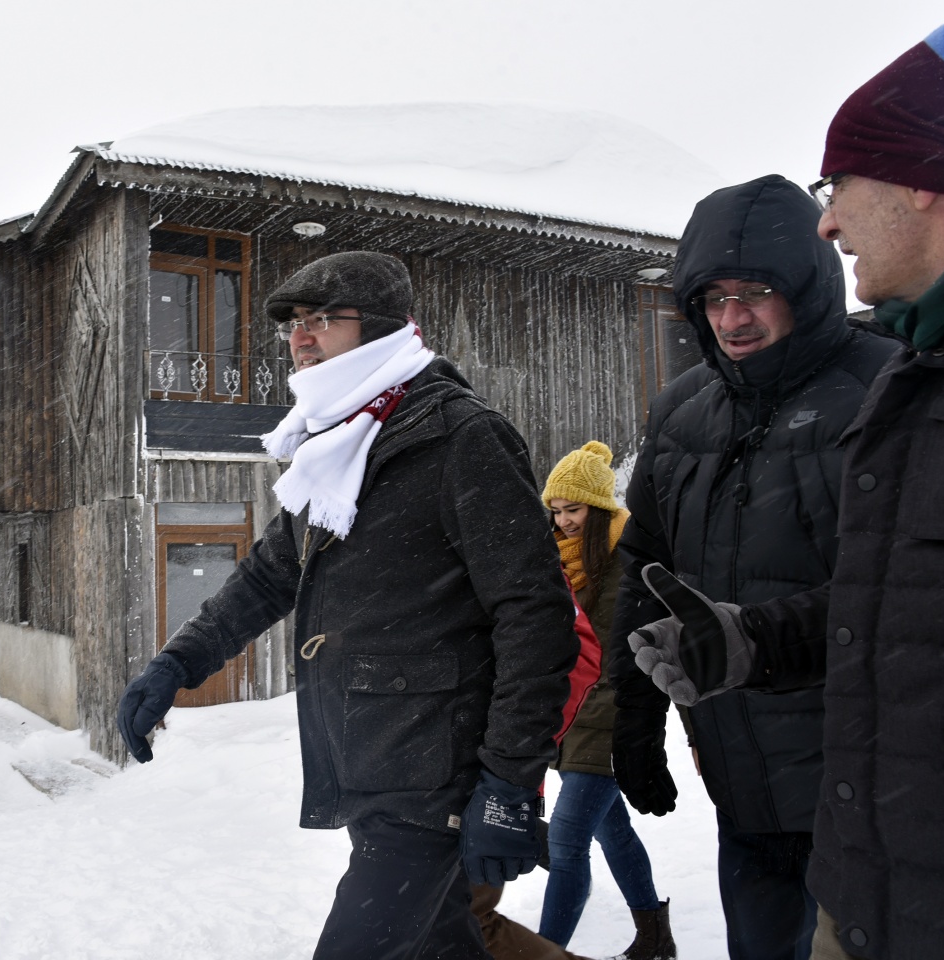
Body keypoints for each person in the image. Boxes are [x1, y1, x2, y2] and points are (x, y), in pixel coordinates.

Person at [624, 11, 944, 960]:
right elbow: (902, 603)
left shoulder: (886, 374)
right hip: (819, 817)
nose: (832, 220)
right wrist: (736, 647)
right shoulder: (936, 365)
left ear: (924, 176)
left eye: (840, 185)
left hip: (933, 848)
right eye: (711, 298)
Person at [117, 251, 582, 960]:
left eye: (324, 320)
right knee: (446, 948)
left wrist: (508, 781)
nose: (301, 337)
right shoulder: (338, 444)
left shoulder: (462, 437)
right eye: (295, 325)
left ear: (384, 329)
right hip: (371, 763)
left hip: (435, 780)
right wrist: (178, 662)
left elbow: (534, 613)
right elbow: (272, 574)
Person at [605, 175, 896, 960]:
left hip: (874, 783)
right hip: (743, 778)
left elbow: (917, 586)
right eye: (713, 298)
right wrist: (633, 715)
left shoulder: (889, 387)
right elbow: (643, 568)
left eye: (757, 293)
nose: (732, 319)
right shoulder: (682, 410)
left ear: (806, 287)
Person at [538, 442, 673, 960]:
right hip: (573, 713)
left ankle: (541, 953)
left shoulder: (623, 563)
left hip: (610, 713)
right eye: (556, 510)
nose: (564, 521)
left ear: (599, 508)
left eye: (573, 509)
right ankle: (656, 940)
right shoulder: (561, 562)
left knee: (567, 842)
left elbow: (624, 655)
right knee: (612, 832)